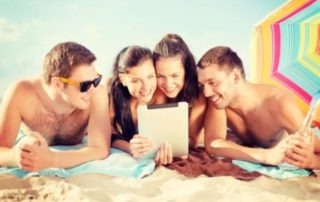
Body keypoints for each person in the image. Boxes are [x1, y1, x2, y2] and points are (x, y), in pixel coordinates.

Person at [0, 42, 111, 171]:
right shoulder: (21, 93)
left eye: (96, 80)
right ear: (58, 84)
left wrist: (52, 159)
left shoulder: (98, 93)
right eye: (85, 85)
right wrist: (16, 157)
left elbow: (100, 149)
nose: (93, 89)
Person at [197, 46, 305, 165]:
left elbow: (313, 148)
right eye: (202, 85)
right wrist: (264, 155)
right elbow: (213, 143)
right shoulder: (220, 101)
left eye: (213, 83)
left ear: (235, 77)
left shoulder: (280, 103)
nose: (206, 93)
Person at [108, 46, 172, 165]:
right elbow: (107, 133)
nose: (146, 87)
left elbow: (161, 136)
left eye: (150, 76)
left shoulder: (159, 96)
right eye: (136, 80)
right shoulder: (113, 91)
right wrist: (130, 148)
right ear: (123, 79)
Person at [152, 33, 207, 148]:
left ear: (186, 71)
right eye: (160, 76)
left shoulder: (199, 93)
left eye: (175, 75)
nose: (168, 84)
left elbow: (193, 139)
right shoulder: (153, 89)